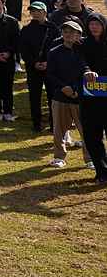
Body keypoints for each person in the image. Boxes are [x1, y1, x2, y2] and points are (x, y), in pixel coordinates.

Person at [46, 20, 86, 169]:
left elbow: (86, 72)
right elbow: (50, 74)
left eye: (72, 31)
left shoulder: (84, 52)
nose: (68, 34)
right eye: (65, 31)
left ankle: (89, 158)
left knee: (86, 130)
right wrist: (64, 87)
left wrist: (75, 89)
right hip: (60, 96)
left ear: (79, 34)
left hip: (81, 96)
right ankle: (59, 157)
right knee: (59, 130)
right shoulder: (54, 52)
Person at [17, 1, 58, 134]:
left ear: (45, 12)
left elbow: (57, 49)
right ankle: (36, 124)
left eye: (38, 11)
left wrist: (48, 63)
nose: (35, 13)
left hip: (51, 68)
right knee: (34, 96)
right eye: (32, 11)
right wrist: (34, 63)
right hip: (32, 68)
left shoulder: (54, 28)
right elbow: (23, 50)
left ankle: (54, 124)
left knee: (53, 97)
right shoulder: (26, 30)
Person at [78, 15, 107, 182]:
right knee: (91, 135)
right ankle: (101, 170)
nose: (94, 27)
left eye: (98, 24)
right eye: (91, 24)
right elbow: (80, 61)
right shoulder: (82, 44)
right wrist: (87, 70)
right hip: (90, 97)